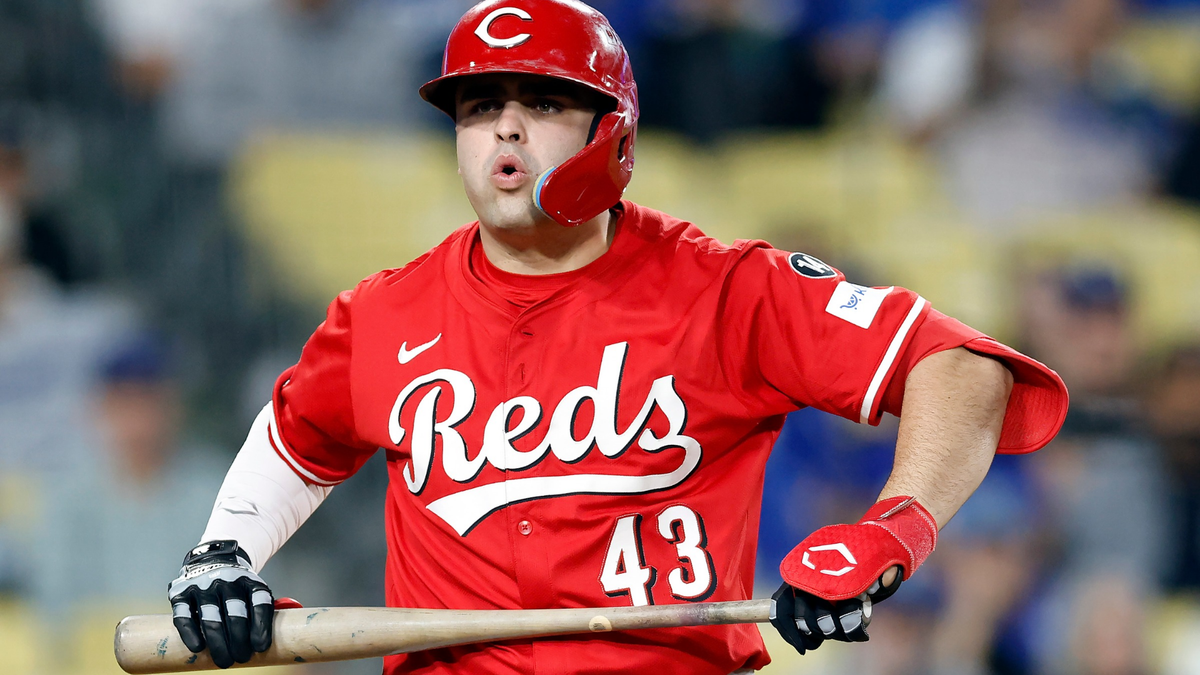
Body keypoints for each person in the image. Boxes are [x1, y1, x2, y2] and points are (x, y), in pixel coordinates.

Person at [164, 1, 1069, 674]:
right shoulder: (384, 311)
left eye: (544, 102)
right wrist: (224, 554)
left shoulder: (721, 288)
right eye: (480, 107)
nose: (505, 127)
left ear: (613, 132)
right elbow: (299, 440)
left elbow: (960, 365)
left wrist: (893, 527)